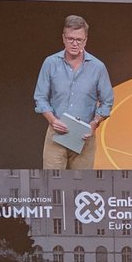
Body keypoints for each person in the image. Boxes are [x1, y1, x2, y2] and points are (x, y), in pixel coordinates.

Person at [34, 14, 114, 170]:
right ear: (63, 38)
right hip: (56, 134)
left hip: (84, 137)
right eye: (71, 39)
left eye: (79, 40)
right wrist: (52, 120)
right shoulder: (50, 63)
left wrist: (94, 124)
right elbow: (40, 97)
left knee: (81, 182)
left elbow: (107, 101)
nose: (75, 44)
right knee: (52, 181)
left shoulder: (98, 67)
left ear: (86, 40)